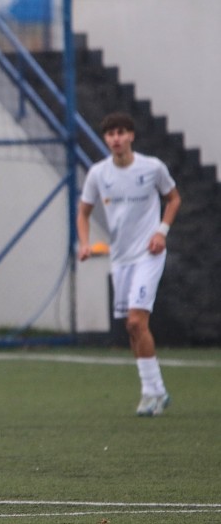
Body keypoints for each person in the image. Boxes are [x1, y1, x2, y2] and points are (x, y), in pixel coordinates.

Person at [77, 112, 181, 417]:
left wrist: (161, 232)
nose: (116, 139)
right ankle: (155, 392)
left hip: (148, 255)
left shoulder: (152, 168)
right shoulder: (99, 173)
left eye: (121, 132)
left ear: (131, 136)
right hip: (120, 258)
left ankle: (152, 391)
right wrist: (85, 243)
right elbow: (83, 213)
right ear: (106, 139)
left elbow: (173, 199)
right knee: (132, 328)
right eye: (110, 134)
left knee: (137, 322)